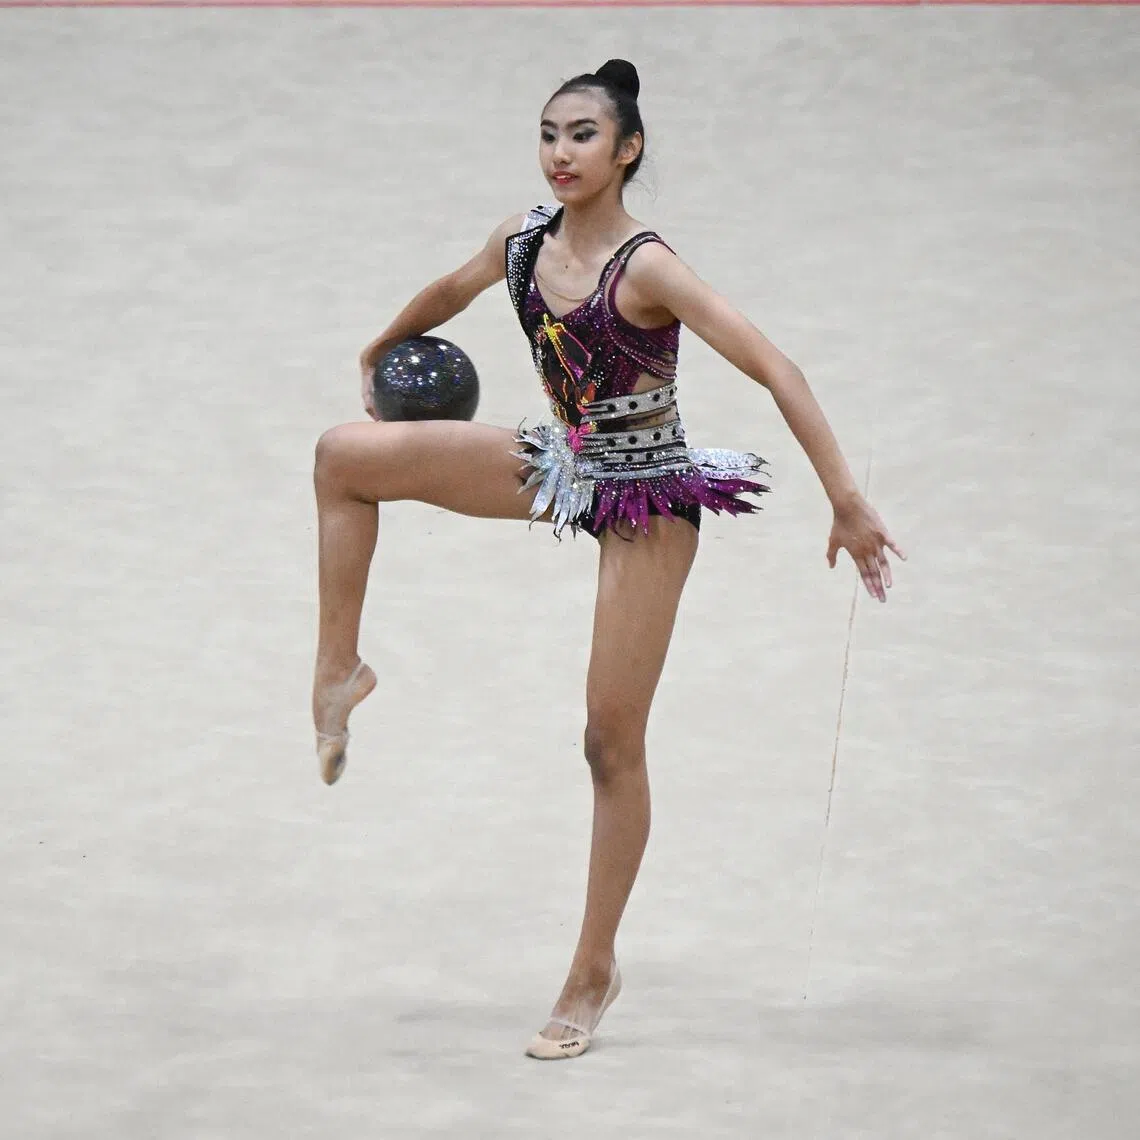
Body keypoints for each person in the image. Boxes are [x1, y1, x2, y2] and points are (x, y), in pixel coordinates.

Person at [312, 59, 906, 1060]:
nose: (561, 152)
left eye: (583, 135)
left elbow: (776, 366)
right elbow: (449, 291)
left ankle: (594, 969)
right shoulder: (522, 241)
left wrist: (846, 499)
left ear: (627, 149)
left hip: (649, 497)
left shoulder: (649, 267)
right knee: (343, 457)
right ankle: (339, 672)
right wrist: (382, 347)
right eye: (549, 133)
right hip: (564, 461)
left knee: (608, 741)